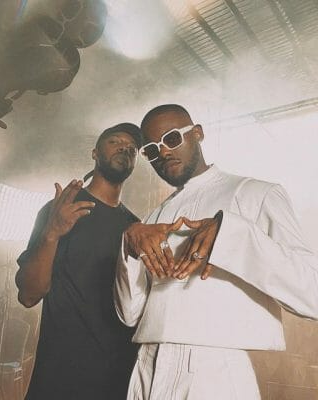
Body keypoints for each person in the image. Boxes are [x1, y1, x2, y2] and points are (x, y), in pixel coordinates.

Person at [114, 104, 318, 400]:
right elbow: (129, 315)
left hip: (212, 372)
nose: (164, 152)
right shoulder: (152, 219)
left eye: (172, 138)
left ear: (197, 133)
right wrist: (130, 247)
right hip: (147, 365)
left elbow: (312, 294)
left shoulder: (256, 194)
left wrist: (231, 234)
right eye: (152, 150)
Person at [16, 123, 142, 400]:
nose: (125, 148)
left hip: (118, 378)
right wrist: (52, 233)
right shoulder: (62, 209)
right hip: (61, 376)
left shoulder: (135, 227)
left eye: (132, 148)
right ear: (95, 153)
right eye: (115, 142)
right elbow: (28, 295)